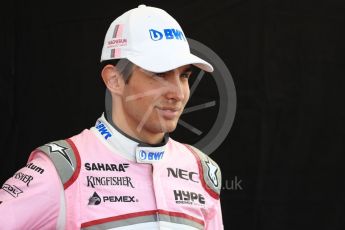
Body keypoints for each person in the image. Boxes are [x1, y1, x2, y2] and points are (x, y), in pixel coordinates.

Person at [0, 5, 223, 230]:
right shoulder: (62, 169)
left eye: (184, 75)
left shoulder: (202, 170)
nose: (178, 93)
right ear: (114, 80)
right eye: (159, 74)